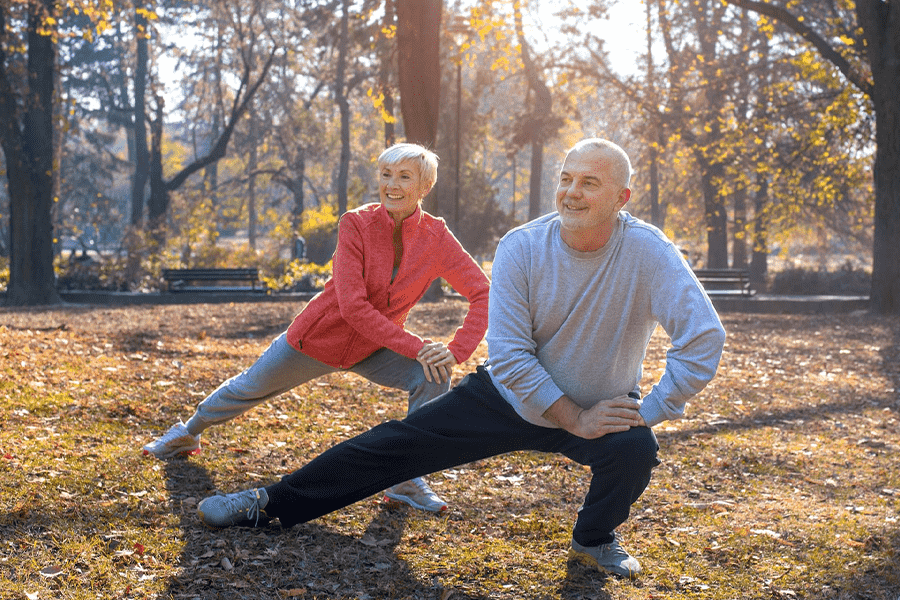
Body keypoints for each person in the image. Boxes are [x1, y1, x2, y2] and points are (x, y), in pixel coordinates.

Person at [195, 138, 726, 579]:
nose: (571, 191)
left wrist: (649, 409)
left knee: (635, 451)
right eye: (566, 178)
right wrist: (574, 418)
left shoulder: (648, 251)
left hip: (600, 405)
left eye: (590, 182)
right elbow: (513, 356)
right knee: (393, 446)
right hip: (507, 398)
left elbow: (702, 338)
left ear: (622, 196)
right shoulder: (522, 247)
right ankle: (269, 503)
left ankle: (594, 538)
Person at [143, 143, 490, 513]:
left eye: (404, 177)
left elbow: (483, 293)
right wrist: (417, 345)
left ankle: (405, 478)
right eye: (386, 175)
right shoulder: (356, 224)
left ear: (424, 187)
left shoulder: (436, 237)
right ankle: (187, 432)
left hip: (374, 347)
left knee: (433, 373)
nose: (392, 185)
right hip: (318, 339)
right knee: (248, 387)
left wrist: (454, 351)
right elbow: (353, 307)